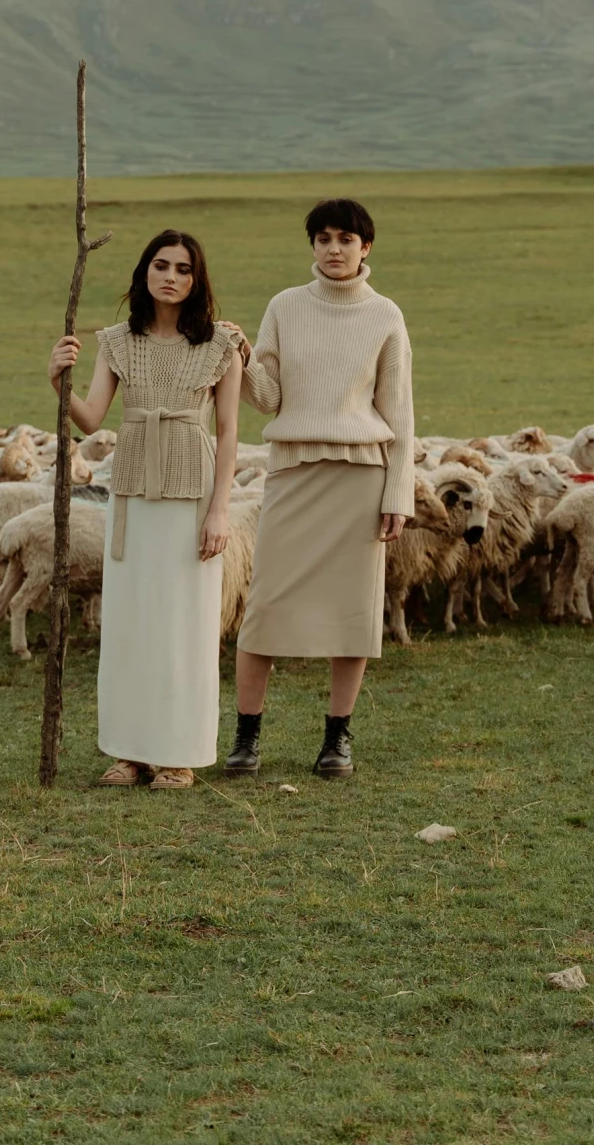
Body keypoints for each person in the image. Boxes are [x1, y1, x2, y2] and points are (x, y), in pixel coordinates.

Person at [48, 230, 243, 790]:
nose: (171, 277)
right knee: (132, 624)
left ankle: (178, 754)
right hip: (132, 495)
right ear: (144, 273)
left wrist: (219, 512)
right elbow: (90, 418)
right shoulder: (116, 341)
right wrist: (57, 380)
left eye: (184, 269)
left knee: (184, 625)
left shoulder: (219, 346)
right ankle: (130, 753)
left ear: (196, 279)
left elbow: (229, 432)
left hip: (193, 495)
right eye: (161, 266)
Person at [226, 198, 413, 779]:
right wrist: (243, 356)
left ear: (366, 247)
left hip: (362, 477)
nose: (334, 249)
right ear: (312, 245)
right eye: (323, 238)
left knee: (353, 614)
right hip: (293, 473)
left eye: (346, 239)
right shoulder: (284, 306)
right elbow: (268, 398)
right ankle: (246, 737)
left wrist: (398, 496)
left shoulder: (386, 315)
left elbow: (399, 413)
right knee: (263, 610)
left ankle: (337, 739)